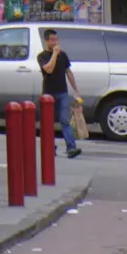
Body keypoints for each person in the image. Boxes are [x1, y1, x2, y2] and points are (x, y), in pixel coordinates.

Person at [39, 29, 84, 159]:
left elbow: (68, 72)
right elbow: (48, 69)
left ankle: (71, 148)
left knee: (65, 120)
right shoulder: (42, 56)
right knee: (48, 122)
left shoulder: (63, 55)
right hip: (48, 94)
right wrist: (54, 54)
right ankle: (50, 147)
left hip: (63, 92)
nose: (55, 42)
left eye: (56, 39)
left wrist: (75, 89)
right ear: (46, 41)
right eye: (52, 40)